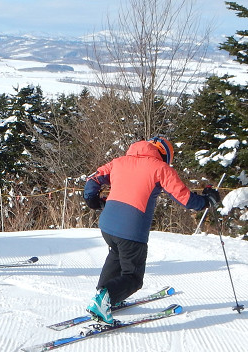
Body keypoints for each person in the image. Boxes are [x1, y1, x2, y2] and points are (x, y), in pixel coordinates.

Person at [82, 135, 221, 323]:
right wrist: (207, 200)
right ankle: (105, 299)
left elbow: (93, 179)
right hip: (132, 229)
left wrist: (93, 201)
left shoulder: (119, 162)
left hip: (107, 225)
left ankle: (104, 296)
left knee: (116, 253)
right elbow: (186, 199)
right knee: (133, 277)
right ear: (165, 155)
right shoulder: (160, 168)